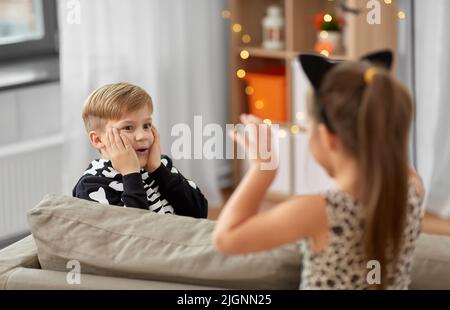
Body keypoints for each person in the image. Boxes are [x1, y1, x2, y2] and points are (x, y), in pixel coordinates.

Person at [213, 51, 425, 289]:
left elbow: (225, 238)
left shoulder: (321, 212)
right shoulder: (413, 190)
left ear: (327, 137)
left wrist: (263, 169)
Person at [73, 82, 208, 218]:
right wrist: (131, 174)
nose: (143, 136)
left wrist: (158, 170)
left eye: (146, 125)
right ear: (98, 140)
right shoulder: (91, 186)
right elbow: (135, 232)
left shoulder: (161, 166)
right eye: (128, 128)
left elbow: (199, 212)